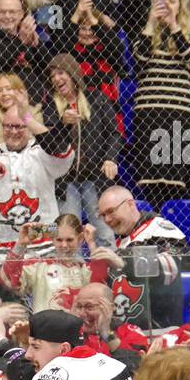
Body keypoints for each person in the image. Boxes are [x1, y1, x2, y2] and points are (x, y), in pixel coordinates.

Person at [0, 87, 74, 269]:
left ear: (29, 128)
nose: (14, 131)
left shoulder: (41, 153)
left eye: (20, 126)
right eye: (9, 126)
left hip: (44, 250)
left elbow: (60, 150)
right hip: (1, 253)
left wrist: (27, 117)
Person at [129, 0, 190, 208]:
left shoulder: (189, 33)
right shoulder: (144, 32)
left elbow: (189, 57)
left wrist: (174, 25)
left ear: (180, 7)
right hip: (149, 110)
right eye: (161, 2)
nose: (167, 6)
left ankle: (171, 229)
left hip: (178, 111)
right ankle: (152, 224)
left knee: (174, 177)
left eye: (172, 1)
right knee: (151, 178)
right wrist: (150, 23)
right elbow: (140, 58)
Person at [44, 53, 118, 240]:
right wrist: (62, 124)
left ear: (73, 74)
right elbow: (48, 144)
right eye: (52, 76)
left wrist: (110, 158)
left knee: (105, 232)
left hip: (94, 178)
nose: (56, 79)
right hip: (65, 181)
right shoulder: (51, 106)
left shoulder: (96, 98)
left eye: (60, 73)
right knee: (68, 234)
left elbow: (114, 133)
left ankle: (111, 269)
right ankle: (72, 269)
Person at [95, 185, 185, 333]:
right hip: (128, 330)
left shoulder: (159, 228)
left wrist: (124, 263)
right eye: (102, 215)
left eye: (111, 211)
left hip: (159, 330)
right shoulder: (122, 241)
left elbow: (171, 269)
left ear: (130, 204)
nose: (107, 219)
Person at [0, 214, 112, 313]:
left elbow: (99, 288)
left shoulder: (84, 269)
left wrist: (91, 243)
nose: (64, 245)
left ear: (80, 239)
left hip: (77, 331)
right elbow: (8, 281)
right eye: (59, 240)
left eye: (69, 240)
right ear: (52, 239)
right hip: (44, 332)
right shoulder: (38, 266)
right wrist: (21, 244)